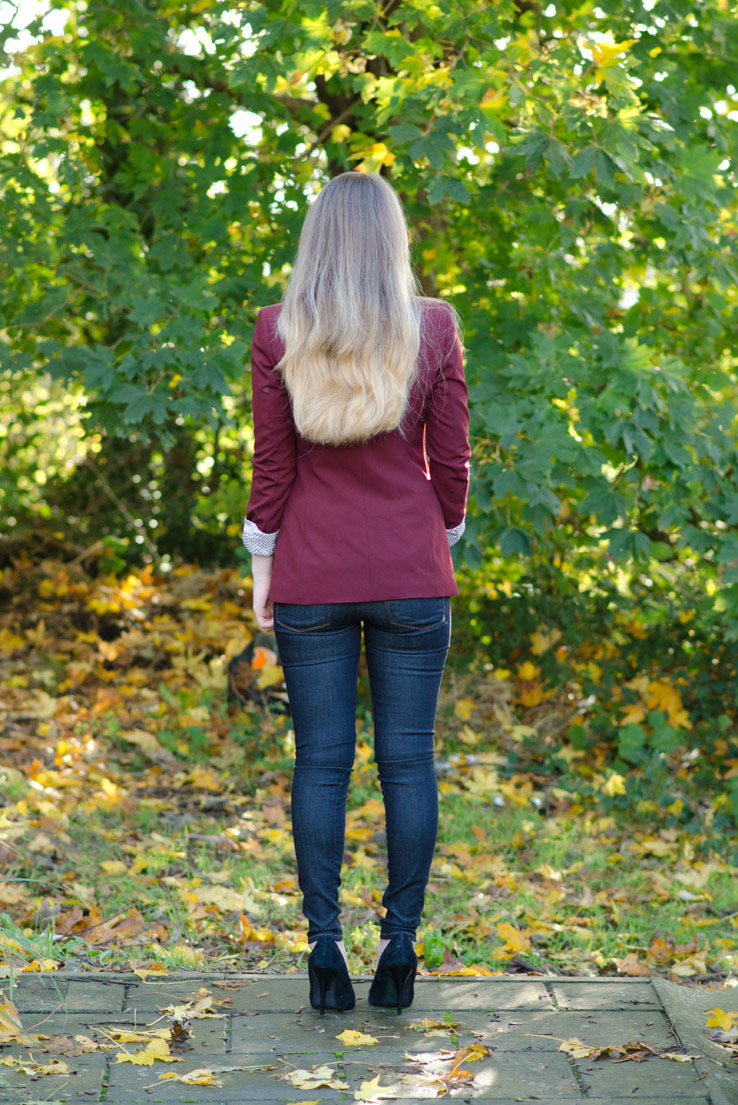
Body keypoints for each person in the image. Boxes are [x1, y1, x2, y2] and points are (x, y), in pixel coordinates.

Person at [242, 171, 470, 1015]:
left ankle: (324, 950)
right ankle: (400, 947)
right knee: (408, 758)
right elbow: (451, 466)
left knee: (321, 762)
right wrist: (435, 538)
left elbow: (274, 470)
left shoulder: (279, 329)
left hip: (314, 573)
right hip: (413, 575)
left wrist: (264, 566)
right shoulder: (433, 326)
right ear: (392, 240)